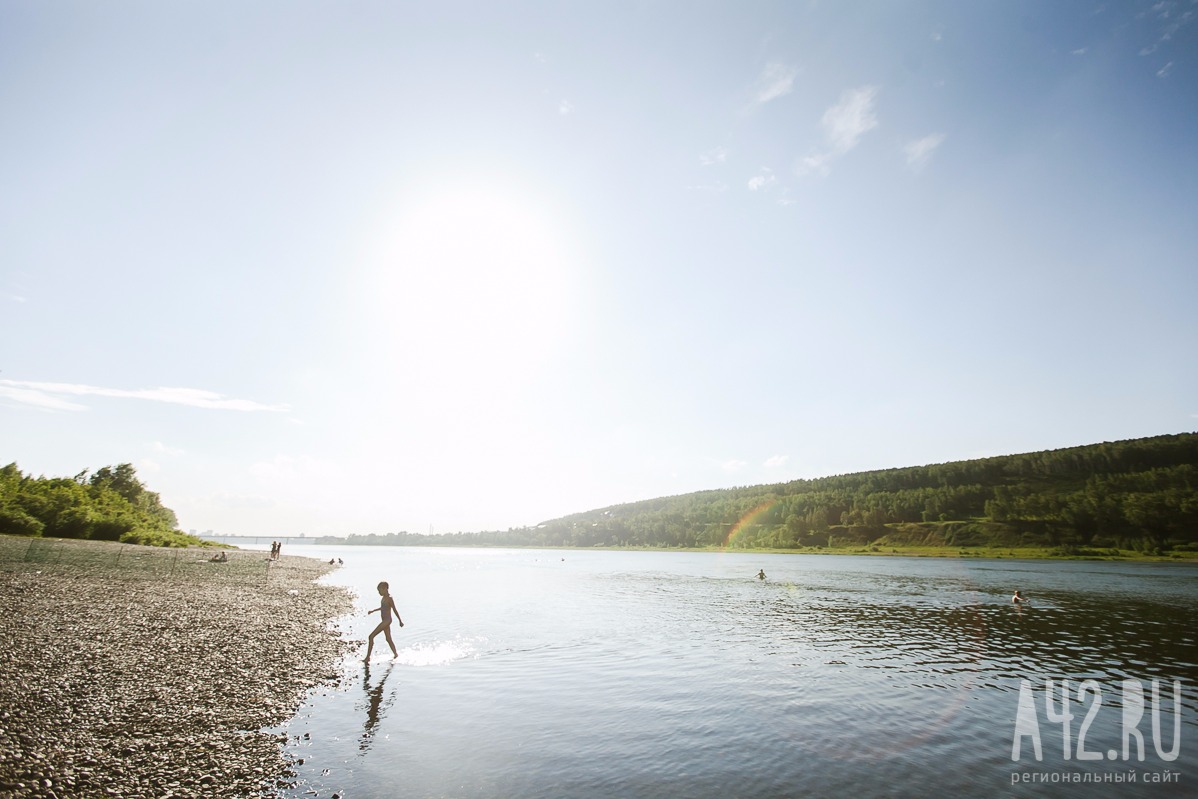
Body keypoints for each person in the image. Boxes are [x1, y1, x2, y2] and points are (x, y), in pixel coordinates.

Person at [365, 581, 404, 662]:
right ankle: (396, 654)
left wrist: (400, 621)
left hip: (387, 621)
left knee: (371, 636)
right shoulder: (383, 598)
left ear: (385, 589)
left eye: (380, 590)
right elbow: (383, 608)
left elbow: (394, 610)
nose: (379, 592)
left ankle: (367, 658)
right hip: (384, 620)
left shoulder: (390, 598)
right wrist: (373, 610)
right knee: (388, 639)